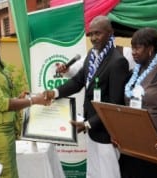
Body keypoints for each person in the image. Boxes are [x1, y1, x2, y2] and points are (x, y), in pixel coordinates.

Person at [44, 15, 129, 178]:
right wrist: (54, 93)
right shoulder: (92, 55)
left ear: (110, 33)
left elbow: (114, 103)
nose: (94, 38)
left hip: (106, 132)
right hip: (91, 128)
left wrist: (89, 123)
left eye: (98, 33)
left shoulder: (118, 62)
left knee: (108, 173)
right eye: (91, 34)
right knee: (93, 173)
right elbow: (77, 81)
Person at [0, 21, 49, 178]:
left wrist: (19, 98)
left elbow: (3, 98)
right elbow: (1, 103)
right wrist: (34, 101)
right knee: (4, 174)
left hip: (6, 129)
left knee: (11, 174)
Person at [120, 27, 157, 178]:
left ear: (150, 49)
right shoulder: (133, 73)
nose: (133, 51)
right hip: (134, 142)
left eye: (137, 47)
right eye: (132, 47)